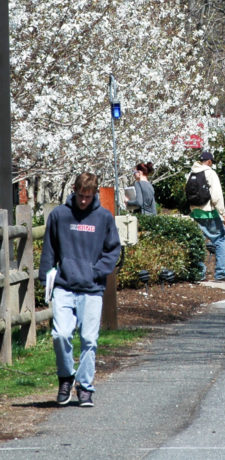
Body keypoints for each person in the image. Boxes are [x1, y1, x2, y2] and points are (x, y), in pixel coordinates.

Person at [39, 173, 121, 407]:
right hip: (64, 286)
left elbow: (112, 250)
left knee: (89, 339)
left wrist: (96, 271)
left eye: (88, 196)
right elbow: (49, 248)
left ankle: (85, 387)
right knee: (61, 334)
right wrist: (45, 277)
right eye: (80, 195)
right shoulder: (59, 215)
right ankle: (66, 377)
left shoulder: (103, 218)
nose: (84, 201)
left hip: (92, 288)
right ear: (73, 190)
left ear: (94, 194)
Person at [188, 151, 225, 281]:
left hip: (195, 213)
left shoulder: (191, 173)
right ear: (209, 162)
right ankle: (220, 273)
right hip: (209, 213)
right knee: (220, 240)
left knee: (198, 243)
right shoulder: (210, 173)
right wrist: (223, 213)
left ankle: (199, 273)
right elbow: (216, 196)